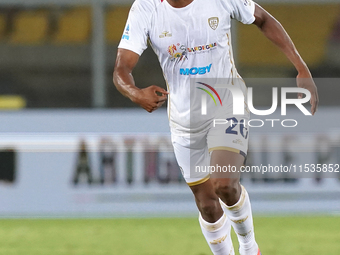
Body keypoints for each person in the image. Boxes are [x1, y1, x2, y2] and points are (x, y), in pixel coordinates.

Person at [113, 0, 319, 254]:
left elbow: (263, 19)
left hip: (227, 101)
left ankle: (249, 248)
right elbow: (121, 68)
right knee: (207, 206)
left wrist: (301, 68)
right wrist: (135, 93)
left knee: (223, 183)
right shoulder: (146, 8)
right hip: (184, 119)